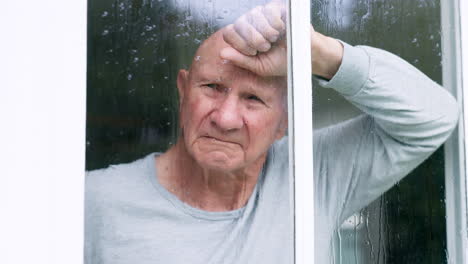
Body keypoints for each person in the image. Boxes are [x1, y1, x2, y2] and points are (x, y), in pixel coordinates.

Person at [85, 2, 459, 263]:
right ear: (183, 91)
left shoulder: (312, 175)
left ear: (285, 125)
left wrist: (317, 53)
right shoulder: (94, 201)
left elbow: (433, 117)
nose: (226, 118)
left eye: (253, 100)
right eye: (212, 88)